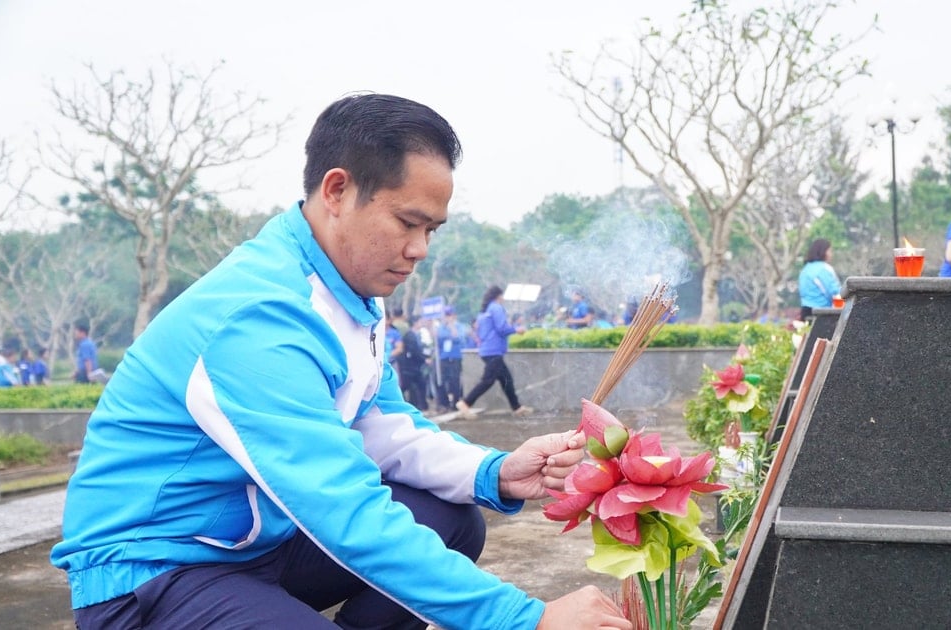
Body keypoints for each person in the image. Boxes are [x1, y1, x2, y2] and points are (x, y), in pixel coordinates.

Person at [51, 94, 629, 630]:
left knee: (454, 517)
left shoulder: (353, 296)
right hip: (155, 569)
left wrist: (494, 471)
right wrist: (524, 618)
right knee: (376, 524)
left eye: (431, 229)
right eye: (407, 222)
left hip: (255, 544)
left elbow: (379, 424)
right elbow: (340, 504)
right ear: (336, 191)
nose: (420, 250)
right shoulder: (259, 317)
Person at [455, 286, 534, 419]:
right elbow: (502, 328)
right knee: (488, 380)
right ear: (499, 296)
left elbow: (480, 331)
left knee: (506, 379)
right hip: (493, 350)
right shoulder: (496, 308)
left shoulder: (484, 311)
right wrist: (517, 330)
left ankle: (517, 407)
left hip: (487, 349)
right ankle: (465, 403)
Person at [797, 238, 842, 320]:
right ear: (823, 252)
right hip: (822, 314)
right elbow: (835, 293)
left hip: (805, 311)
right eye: (830, 251)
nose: (831, 254)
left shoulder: (805, 269)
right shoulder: (824, 269)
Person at [434, 306, 466, 412]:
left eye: (449, 315)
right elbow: (438, 339)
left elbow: (459, 338)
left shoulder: (460, 326)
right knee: (441, 381)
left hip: (455, 357)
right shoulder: (440, 328)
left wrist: (452, 327)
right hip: (444, 358)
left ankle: (455, 404)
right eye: (446, 315)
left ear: (454, 316)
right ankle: (444, 403)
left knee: (455, 381)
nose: (447, 317)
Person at [396, 314, 429, 410]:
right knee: (408, 386)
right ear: (415, 323)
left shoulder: (415, 334)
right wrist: (424, 359)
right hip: (410, 367)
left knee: (416, 386)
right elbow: (414, 351)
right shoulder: (410, 335)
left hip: (413, 367)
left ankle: (419, 405)